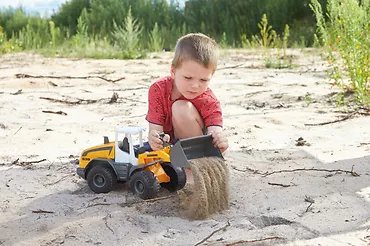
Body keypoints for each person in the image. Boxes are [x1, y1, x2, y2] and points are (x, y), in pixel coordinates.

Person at [145, 33, 228, 155]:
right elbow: (155, 130)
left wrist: (220, 141)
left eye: (203, 80)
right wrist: (155, 140)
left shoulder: (208, 100)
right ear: (173, 72)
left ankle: (194, 159)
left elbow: (215, 133)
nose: (195, 86)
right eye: (188, 77)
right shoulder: (158, 90)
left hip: (197, 146)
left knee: (181, 108)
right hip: (170, 147)